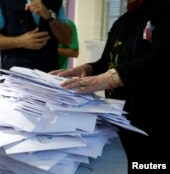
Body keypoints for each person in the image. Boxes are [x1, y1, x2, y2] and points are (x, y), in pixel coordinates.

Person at [50, 0, 169, 172]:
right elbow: (107, 61)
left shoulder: (163, 10)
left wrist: (108, 78)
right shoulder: (123, 21)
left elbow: (161, 58)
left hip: (154, 125)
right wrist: (88, 68)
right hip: (123, 122)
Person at [0, 0, 72, 73]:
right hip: (15, 78)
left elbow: (68, 39)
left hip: (49, 77)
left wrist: (50, 16)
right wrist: (20, 41)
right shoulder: (3, 2)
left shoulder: (55, 2)